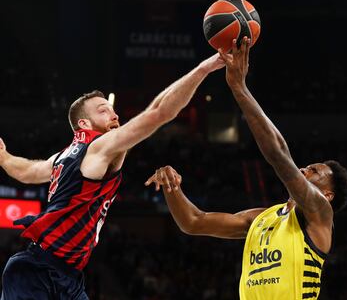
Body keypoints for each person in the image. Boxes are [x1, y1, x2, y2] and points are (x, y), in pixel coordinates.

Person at [0, 53, 225, 299]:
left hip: (68, 276)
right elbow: (159, 112)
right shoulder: (98, 148)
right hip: (37, 271)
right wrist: (206, 67)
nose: (115, 116)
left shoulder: (62, 158)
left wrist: (3, 157)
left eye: (113, 110)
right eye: (103, 111)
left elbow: (26, 171)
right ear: (84, 124)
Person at [145, 38, 347, 300]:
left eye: (314, 171)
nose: (303, 169)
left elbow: (278, 156)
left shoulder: (319, 214)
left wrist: (239, 88)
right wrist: (171, 187)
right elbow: (193, 222)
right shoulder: (261, 219)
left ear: (327, 195)